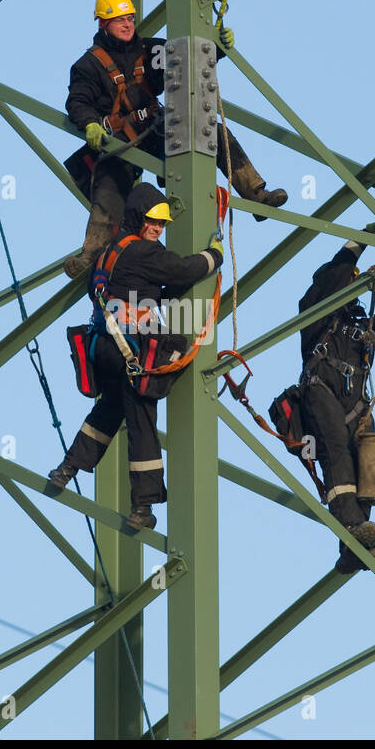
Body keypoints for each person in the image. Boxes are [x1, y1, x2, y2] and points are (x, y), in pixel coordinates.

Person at [61, 0, 287, 277]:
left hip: (156, 130)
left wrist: (217, 48)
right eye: (120, 20)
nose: (128, 24)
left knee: (214, 132)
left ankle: (256, 194)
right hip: (122, 142)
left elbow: (187, 60)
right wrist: (90, 122)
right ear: (104, 24)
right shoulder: (89, 65)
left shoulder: (149, 50)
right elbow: (77, 101)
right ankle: (93, 254)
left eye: (130, 18)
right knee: (108, 183)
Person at [48, 183, 223, 531]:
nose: (158, 230)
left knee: (110, 407)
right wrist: (214, 256)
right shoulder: (145, 253)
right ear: (137, 219)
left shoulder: (107, 254)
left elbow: (144, 287)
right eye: (153, 222)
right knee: (141, 418)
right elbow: (184, 270)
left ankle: (66, 468)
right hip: (129, 348)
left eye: (163, 224)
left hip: (103, 348)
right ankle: (143, 506)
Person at [297, 224, 375, 574]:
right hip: (320, 390)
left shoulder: (361, 322)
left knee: (364, 469)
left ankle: (353, 545)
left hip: (357, 401)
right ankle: (350, 529)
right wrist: (363, 239)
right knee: (336, 452)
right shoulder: (314, 309)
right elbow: (334, 274)